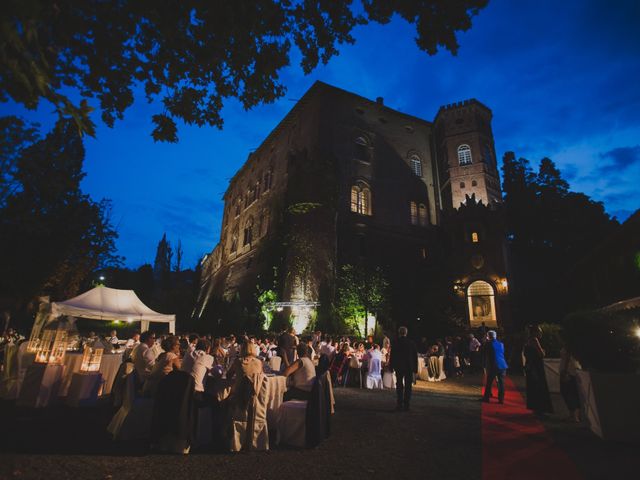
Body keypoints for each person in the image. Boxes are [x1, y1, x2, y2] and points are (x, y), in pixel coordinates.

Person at [523, 325, 553, 415]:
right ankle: (541, 409)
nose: (541, 333)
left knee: (533, 387)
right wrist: (543, 351)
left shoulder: (527, 341)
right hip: (536, 367)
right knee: (540, 386)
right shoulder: (534, 340)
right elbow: (541, 354)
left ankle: (536, 408)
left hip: (530, 366)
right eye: (539, 331)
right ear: (535, 332)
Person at [389, 326, 418, 411]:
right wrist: (415, 369)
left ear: (399, 333)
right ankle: (406, 405)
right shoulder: (411, 343)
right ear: (406, 333)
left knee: (399, 385)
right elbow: (414, 357)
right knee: (408, 386)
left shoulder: (396, 342)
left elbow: (392, 355)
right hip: (409, 366)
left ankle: (399, 404)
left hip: (399, 366)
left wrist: (391, 366)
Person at [481, 331, 508, 404]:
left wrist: (484, 341)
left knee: (489, 382)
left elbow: (484, 352)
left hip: (493, 365)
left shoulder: (488, 344)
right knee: (501, 383)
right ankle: (501, 399)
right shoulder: (501, 344)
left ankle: (486, 397)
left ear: (488, 336)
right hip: (502, 365)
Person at [559, 345, 581, 422]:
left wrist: (565, 371)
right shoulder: (566, 345)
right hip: (567, 371)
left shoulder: (569, 346)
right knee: (567, 392)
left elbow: (568, 358)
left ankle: (575, 416)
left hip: (569, 371)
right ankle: (572, 414)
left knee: (569, 392)